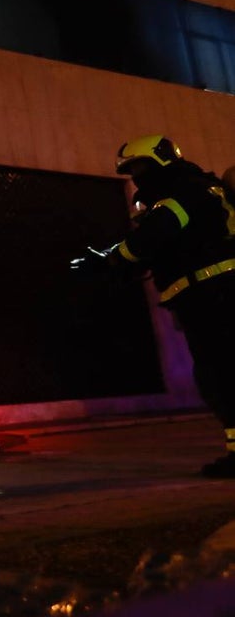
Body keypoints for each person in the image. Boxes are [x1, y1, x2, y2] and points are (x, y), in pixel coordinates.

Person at [71, 135, 235, 477]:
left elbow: (151, 237)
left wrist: (108, 260)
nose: (136, 178)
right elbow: (160, 244)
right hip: (212, 294)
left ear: (162, 161)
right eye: (131, 171)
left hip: (214, 295)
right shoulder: (198, 189)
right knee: (220, 374)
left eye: (140, 168)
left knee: (220, 375)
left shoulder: (180, 193)